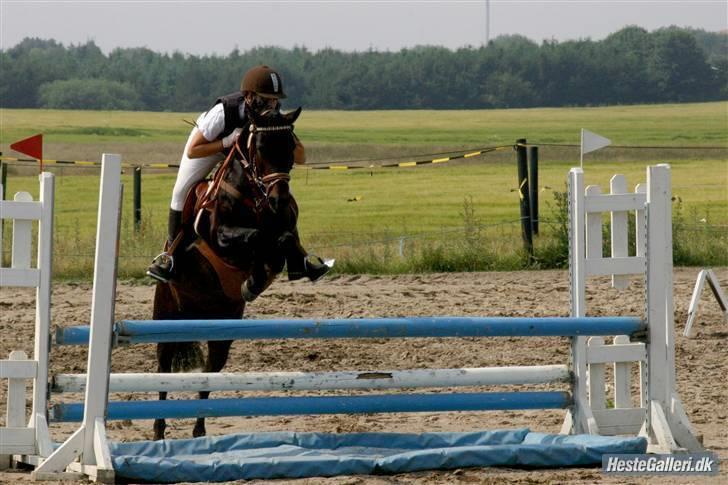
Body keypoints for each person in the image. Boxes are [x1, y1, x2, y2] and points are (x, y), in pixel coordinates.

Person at [146, 65, 330, 291]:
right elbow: (194, 150)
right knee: (180, 192)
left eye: (275, 101)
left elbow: (300, 157)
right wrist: (226, 141)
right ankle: (170, 256)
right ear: (249, 97)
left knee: (275, 192)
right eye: (266, 99)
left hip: (243, 154)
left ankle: (300, 258)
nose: (271, 105)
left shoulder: (273, 117)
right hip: (210, 145)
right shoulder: (224, 112)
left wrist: (286, 139)